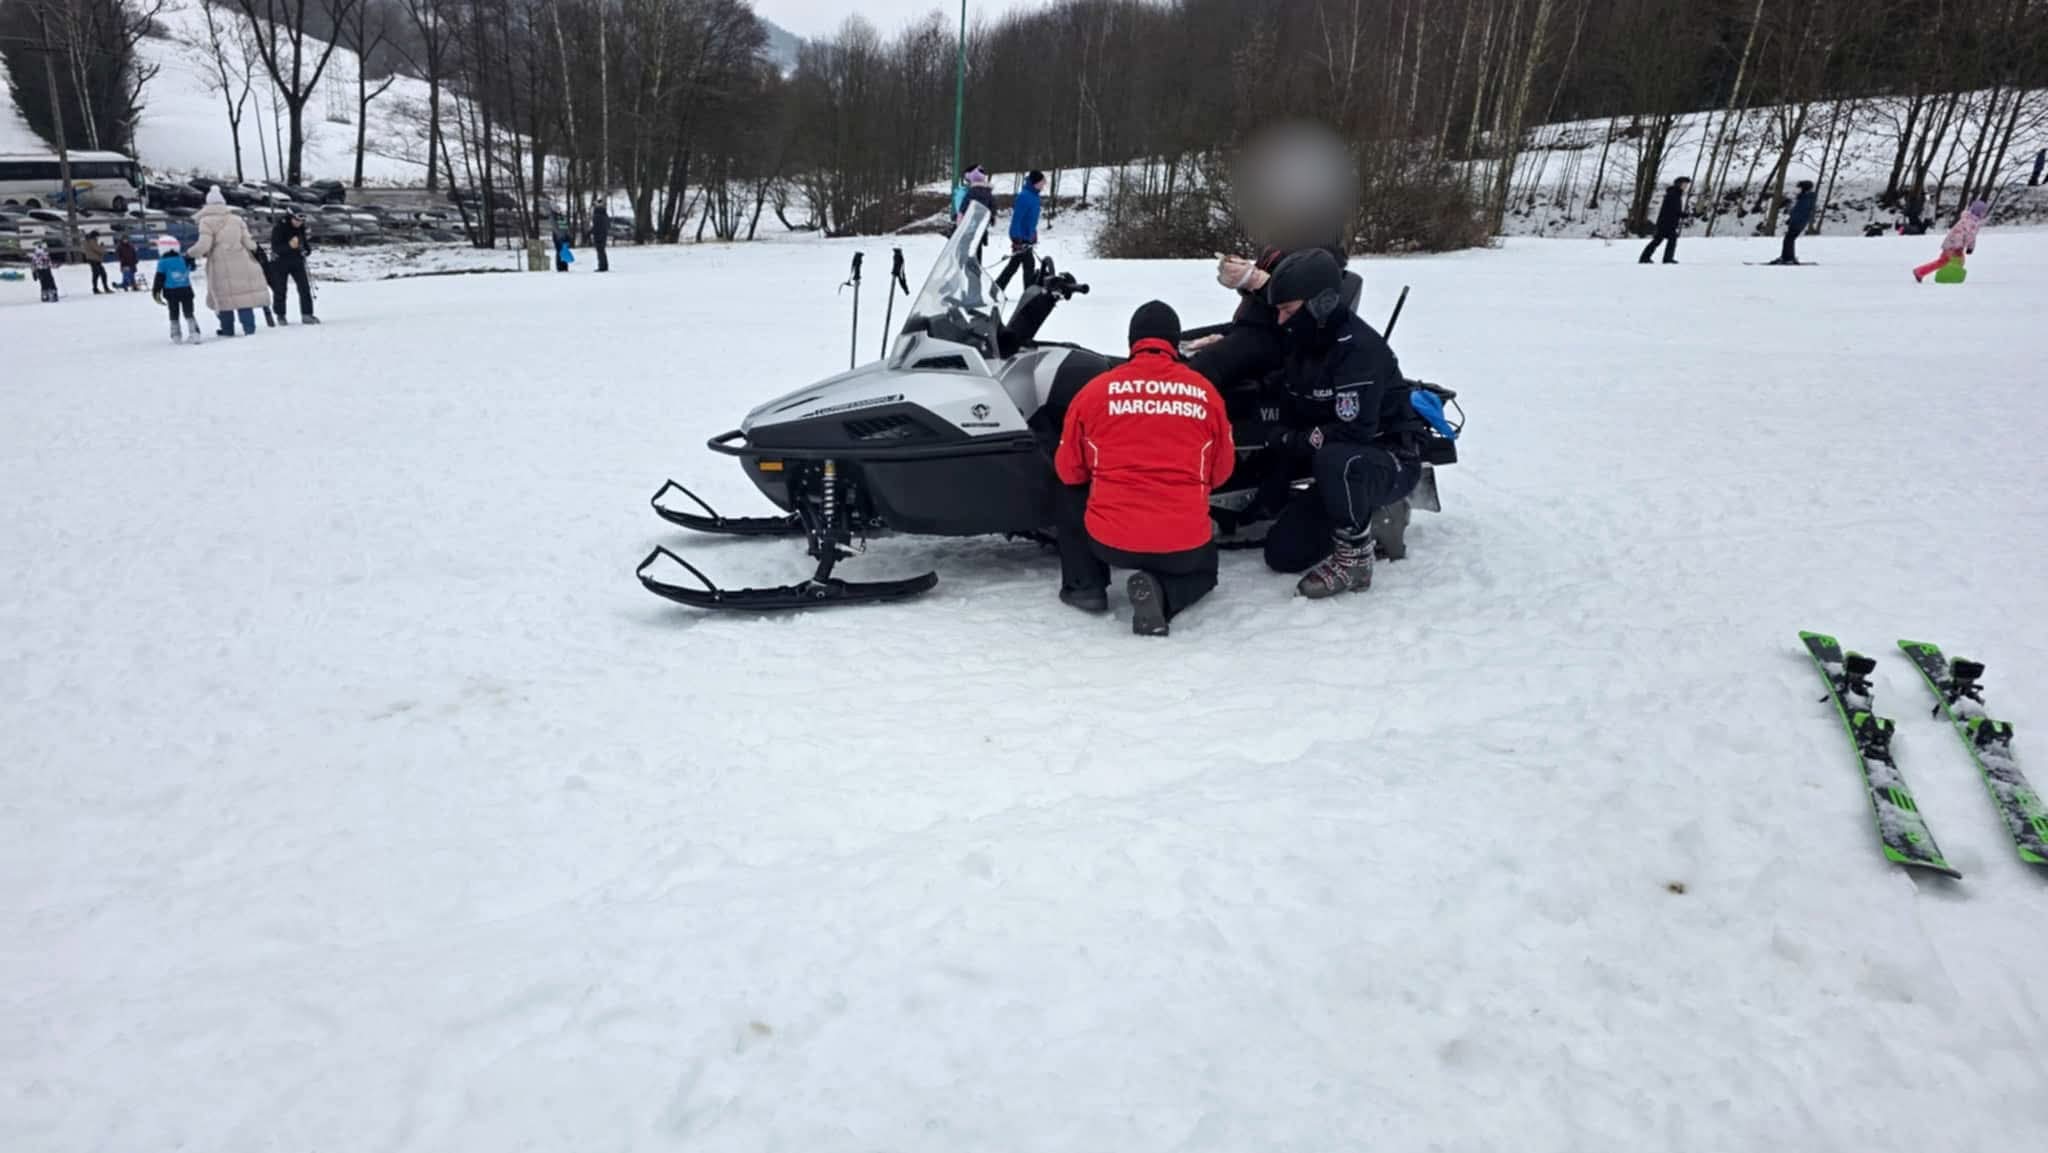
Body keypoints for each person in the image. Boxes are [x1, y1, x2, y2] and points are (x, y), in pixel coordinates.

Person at [1053, 300, 1235, 637]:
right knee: (1206, 571)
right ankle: (1163, 593)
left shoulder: (1093, 392)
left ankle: (1085, 586)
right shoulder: (1205, 394)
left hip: (1109, 543)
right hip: (1183, 545)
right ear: (1175, 342)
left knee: (1070, 487)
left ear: (1131, 342)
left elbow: (1069, 472)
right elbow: (1221, 473)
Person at [1258, 249, 1424, 599]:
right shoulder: (1302, 343)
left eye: (1288, 310)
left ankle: (1356, 557)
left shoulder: (1358, 351)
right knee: (1283, 554)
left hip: (1384, 459)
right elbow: (1295, 410)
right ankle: (1351, 510)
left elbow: (1353, 431)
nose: (1281, 321)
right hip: (1334, 459)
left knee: (1336, 456)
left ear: (1320, 304)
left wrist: (1291, 441)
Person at [188, 185, 272, 336]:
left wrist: (189, 253)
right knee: (244, 297)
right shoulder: (236, 219)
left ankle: (227, 330)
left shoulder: (206, 221)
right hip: (242, 261)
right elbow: (249, 242)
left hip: (220, 264)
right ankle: (249, 329)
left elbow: (203, 245)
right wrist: (257, 251)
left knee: (225, 299)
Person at [1914, 199, 1989, 283]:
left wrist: (1970, 247)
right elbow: (1958, 234)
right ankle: (1920, 271)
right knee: (1943, 261)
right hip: (1951, 245)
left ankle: (1949, 275)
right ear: (1978, 212)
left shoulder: (1975, 223)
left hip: (1958, 247)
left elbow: (1972, 236)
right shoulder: (1966, 221)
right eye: (1983, 212)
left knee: (1957, 261)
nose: (1984, 214)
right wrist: (1958, 247)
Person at [995, 170, 1044, 292]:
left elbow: (1031, 219)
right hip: (1020, 238)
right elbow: (1017, 219)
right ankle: (1029, 292)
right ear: (1035, 183)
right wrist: (1016, 237)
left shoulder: (1035, 197)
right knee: (1029, 265)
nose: (1044, 185)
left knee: (1014, 266)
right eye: (1042, 182)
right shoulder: (1024, 196)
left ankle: (996, 288)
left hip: (1027, 237)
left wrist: (1033, 233)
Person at [269, 210, 318, 323]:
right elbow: (276, 248)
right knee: (280, 289)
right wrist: (289, 246)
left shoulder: (300, 228)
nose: (299, 223)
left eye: (302, 221)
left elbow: (305, 244)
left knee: (304, 288)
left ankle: (307, 314)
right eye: (297, 220)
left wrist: (306, 251)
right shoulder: (279, 227)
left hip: (297, 261)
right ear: (291, 217)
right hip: (280, 262)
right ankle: (280, 315)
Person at [152, 237, 202, 344]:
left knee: (173, 312)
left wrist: (156, 293)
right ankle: (194, 333)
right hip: (186, 290)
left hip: (171, 292)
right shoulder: (183, 259)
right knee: (189, 311)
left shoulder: (162, 262)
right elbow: (192, 267)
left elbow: (159, 279)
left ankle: (176, 335)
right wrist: (191, 260)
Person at [1640, 177, 1690, 264]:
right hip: (1667, 223)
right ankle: (1667, 259)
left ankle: (1645, 257)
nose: (1686, 186)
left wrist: (1682, 214)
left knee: (1658, 240)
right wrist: (1683, 214)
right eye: (1685, 184)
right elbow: (1672, 210)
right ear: (1679, 184)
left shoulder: (1675, 194)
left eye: (1686, 184)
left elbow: (1674, 210)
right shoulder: (1673, 194)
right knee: (1670, 239)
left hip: (1666, 222)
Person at [1772, 180, 1817, 265]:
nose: (1798, 190)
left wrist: (1792, 220)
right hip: (1797, 221)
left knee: (1789, 239)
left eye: (1800, 188)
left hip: (1798, 222)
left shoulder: (1806, 198)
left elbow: (1800, 212)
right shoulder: (1805, 197)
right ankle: (1787, 257)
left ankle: (1788, 258)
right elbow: (1797, 211)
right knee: (1789, 239)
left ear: (1804, 189)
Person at [591, 202, 611, 273]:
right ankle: (604, 265)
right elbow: (608, 225)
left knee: (600, 252)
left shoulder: (596, 216)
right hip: (604, 235)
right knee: (602, 251)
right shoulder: (605, 215)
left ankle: (602, 266)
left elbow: (595, 227)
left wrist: (592, 232)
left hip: (598, 235)